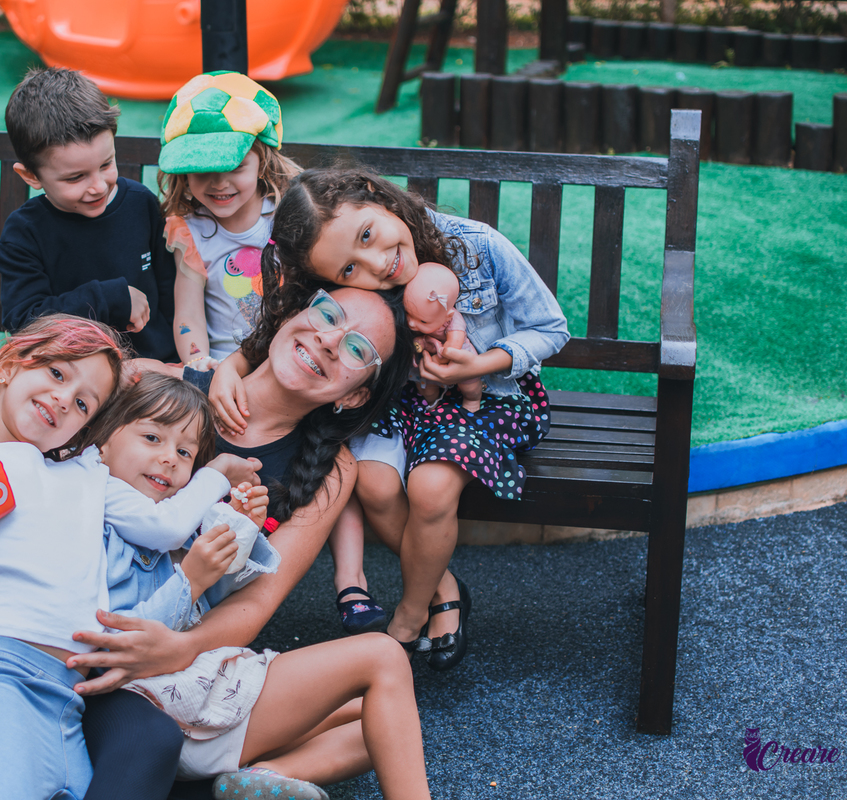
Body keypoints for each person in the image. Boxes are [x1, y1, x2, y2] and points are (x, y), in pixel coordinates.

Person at [0, 287, 413, 800]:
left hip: (177, 644)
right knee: (148, 738)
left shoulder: (329, 468)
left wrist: (190, 625)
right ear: (292, 312)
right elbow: (33, 411)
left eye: (357, 349)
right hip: (68, 654)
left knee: (374, 712)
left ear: (356, 394)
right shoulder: (145, 386)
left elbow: (254, 599)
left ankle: (257, 780)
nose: (329, 340)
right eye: (328, 314)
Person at [0, 314, 259, 800]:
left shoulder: (86, 470)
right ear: (12, 364)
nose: (63, 398)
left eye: (83, 403)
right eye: (56, 373)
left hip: (71, 694)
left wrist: (219, 470)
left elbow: (164, 527)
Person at [212, 167, 569, 671]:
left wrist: (480, 364)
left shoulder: (476, 246)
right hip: (406, 403)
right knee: (373, 482)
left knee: (429, 488)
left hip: (489, 397)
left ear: (375, 195)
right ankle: (443, 582)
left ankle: (411, 609)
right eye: (350, 272)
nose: (377, 265)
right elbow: (289, 320)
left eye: (366, 236)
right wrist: (232, 364)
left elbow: (551, 328)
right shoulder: (348, 277)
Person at [86, 374, 430, 800]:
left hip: (206, 687)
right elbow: (112, 638)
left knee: (377, 719)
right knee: (382, 657)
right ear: (101, 445)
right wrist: (191, 580)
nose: (169, 459)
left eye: (184, 451)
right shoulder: (97, 521)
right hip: (162, 704)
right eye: (152, 437)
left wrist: (240, 528)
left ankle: (259, 778)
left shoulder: (181, 519)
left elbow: (214, 600)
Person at [0, 67, 178, 361]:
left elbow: (171, 291)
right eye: (75, 177)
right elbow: (24, 322)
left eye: (106, 165)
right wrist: (111, 299)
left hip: (152, 372)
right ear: (31, 176)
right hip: (71, 378)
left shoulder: (140, 204)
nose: (98, 187)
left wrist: (177, 362)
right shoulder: (25, 232)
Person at [157, 71, 300, 369]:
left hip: (287, 361)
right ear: (184, 172)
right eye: (202, 169)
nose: (219, 184)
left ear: (262, 160)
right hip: (221, 367)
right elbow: (189, 314)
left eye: (235, 166)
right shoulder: (189, 230)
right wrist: (198, 362)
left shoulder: (288, 214)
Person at [402, 261, 483, 414]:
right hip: (428, 357)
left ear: (448, 316)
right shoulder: (421, 318)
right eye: (409, 314)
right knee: (425, 385)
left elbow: (453, 346)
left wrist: (439, 360)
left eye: (422, 321)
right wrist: (418, 343)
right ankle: (432, 402)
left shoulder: (453, 321)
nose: (412, 323)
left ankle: (472, 400)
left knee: (470, 385)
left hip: (457, 360)